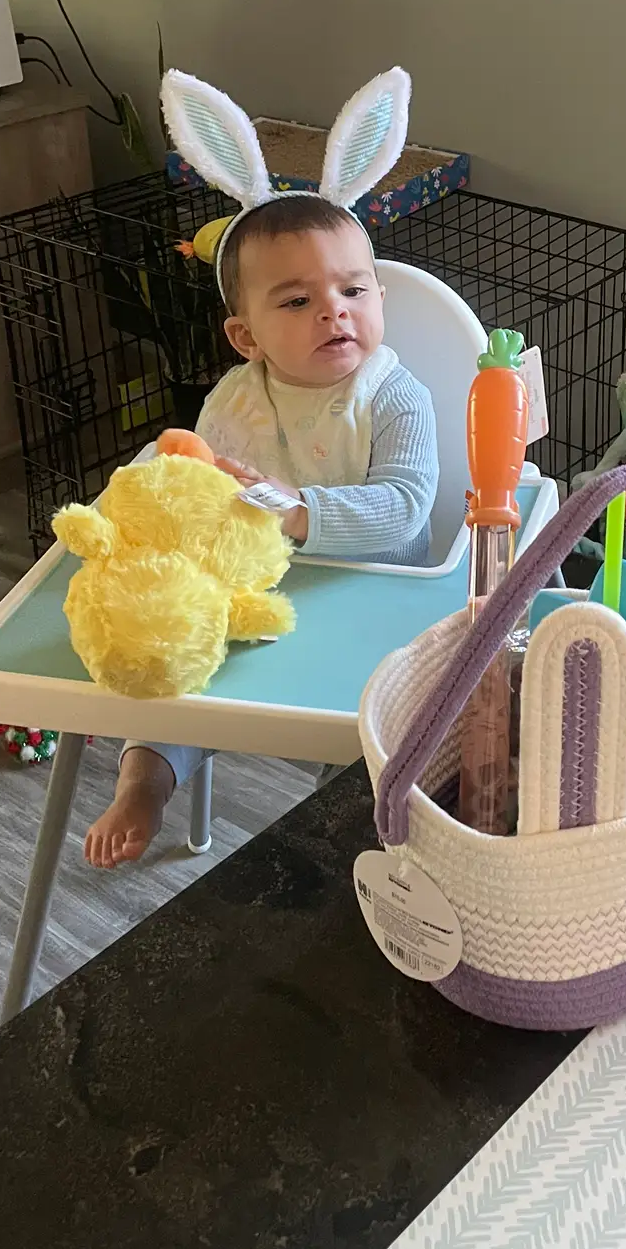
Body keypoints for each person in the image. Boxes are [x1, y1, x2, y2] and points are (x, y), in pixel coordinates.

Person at [84, 194, 439, 865]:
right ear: (246, 337)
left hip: (370, 606)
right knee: (169, 669)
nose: (335, 310)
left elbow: (405, 507)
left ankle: (352, 838)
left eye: (353, 289)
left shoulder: (394, 396)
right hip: (250, 594)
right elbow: (191, 476)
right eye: (297, 302)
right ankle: (145, 780)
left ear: (379, 299)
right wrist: (138, 509)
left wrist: (299, 508)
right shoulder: (233, 399)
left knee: (369, 740)